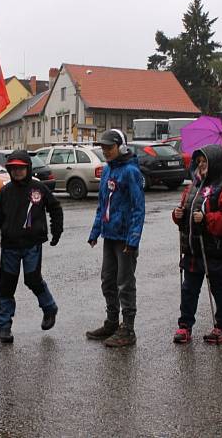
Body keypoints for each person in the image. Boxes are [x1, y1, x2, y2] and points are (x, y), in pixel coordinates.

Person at [0, 150, 63, 343]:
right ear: (9, 170)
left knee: (33, 280)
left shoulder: (39, 188)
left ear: (28, 168)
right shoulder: (5, 191)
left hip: (32, 245)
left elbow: (55, 208)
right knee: (6, 286)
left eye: (21, 168)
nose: (18, 172)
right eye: (14, 168)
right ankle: (4, 325)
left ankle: (49, 308)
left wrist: (56, 230)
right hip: (10, 246)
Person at [172, 145, 222, 344]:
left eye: (205, 162)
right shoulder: (193, 185)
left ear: (216, 164)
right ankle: (185, 326)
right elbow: (185, 211)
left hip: (216, 249)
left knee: (219, 289)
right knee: (188, 290)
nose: (201, 165)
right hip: (194, 250)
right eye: (199, 162)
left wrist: (206, 219)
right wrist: (178, 215)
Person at [86, 129, 145, 347]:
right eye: (103, 148)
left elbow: (139, 208)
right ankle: (112, 322)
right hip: (109, 236)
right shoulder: (107, 171)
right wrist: (95, 232)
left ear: (121, 147)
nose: (105, 152)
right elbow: (102, 205)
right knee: (107, 281)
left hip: (125, 239)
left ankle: (128, 329)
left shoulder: (131, 172)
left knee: (125, 283)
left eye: (109, 148)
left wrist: (134, 238)